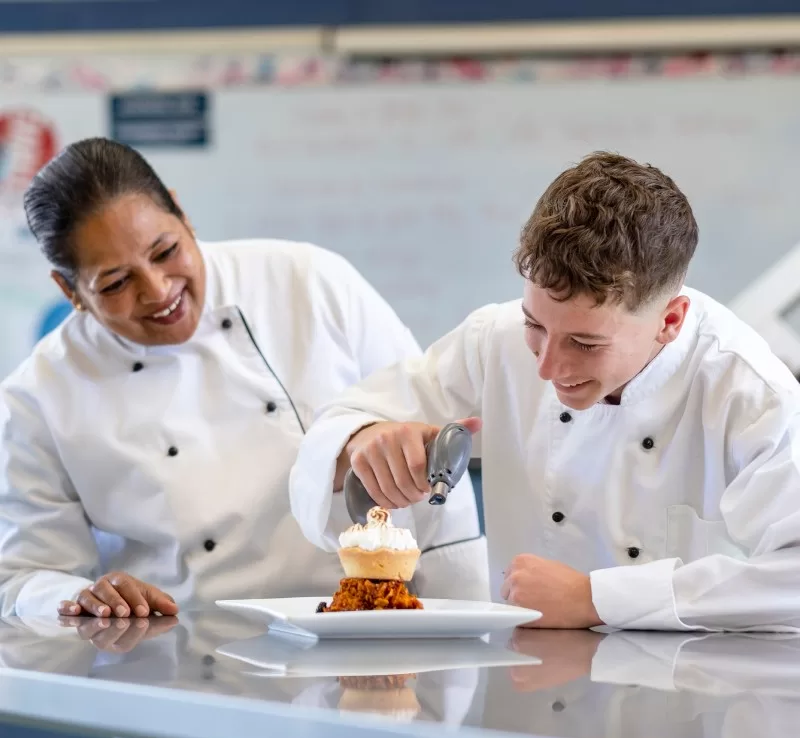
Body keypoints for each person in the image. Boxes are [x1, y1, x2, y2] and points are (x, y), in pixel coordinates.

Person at [290, 151, 800, 632]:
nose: (548, 368)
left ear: (669, 321)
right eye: (535, 325)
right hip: (520, 686)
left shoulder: (746, 389)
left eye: (584, 342)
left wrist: (597, 599)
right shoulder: (494, 339)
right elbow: (337, 427)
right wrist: (364, 440)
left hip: (685, 697)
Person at [0, 137, 488, 617]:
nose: (158, 290)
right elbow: (26, 574)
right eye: (116, 283)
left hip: (369, 628)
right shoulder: (38, 396)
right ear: (69, 290)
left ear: (183, 215)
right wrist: (82, 595)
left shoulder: (308, 282)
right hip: (185, 656)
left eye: (166, 251)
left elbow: (433, 454)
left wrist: (461, 629)